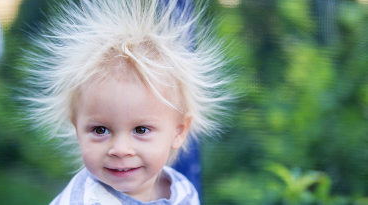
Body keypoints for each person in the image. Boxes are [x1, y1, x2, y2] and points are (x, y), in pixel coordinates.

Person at [22, 0, 232, 204]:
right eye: (100, 130)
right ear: (77, 128)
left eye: (140, 130)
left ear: (178, 131)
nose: (120, 149)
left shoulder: (182, 190)